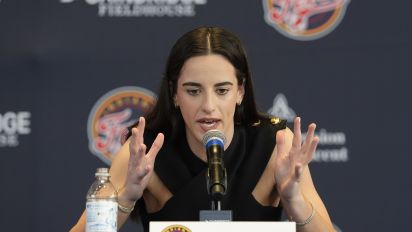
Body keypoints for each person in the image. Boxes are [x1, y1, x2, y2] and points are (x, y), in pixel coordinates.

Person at [71, 26, 335, 232]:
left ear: (240, 92)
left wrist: (294, 201)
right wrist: (127, 197)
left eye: (222, 90)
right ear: (174, 94)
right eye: (193, 91)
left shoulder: (275, 144)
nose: (208, 106)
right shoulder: (145, 150)